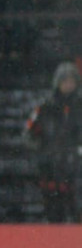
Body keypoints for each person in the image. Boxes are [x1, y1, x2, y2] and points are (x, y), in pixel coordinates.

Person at [26, 61, 81, 222]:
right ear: (58, 83)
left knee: (75, 209)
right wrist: (42, 149)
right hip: (50, 166)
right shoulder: (45, 108)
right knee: (53, 209)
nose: (68, 85)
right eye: (65, 81)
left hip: (76, 167)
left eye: (71, 81)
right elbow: (29, 133)